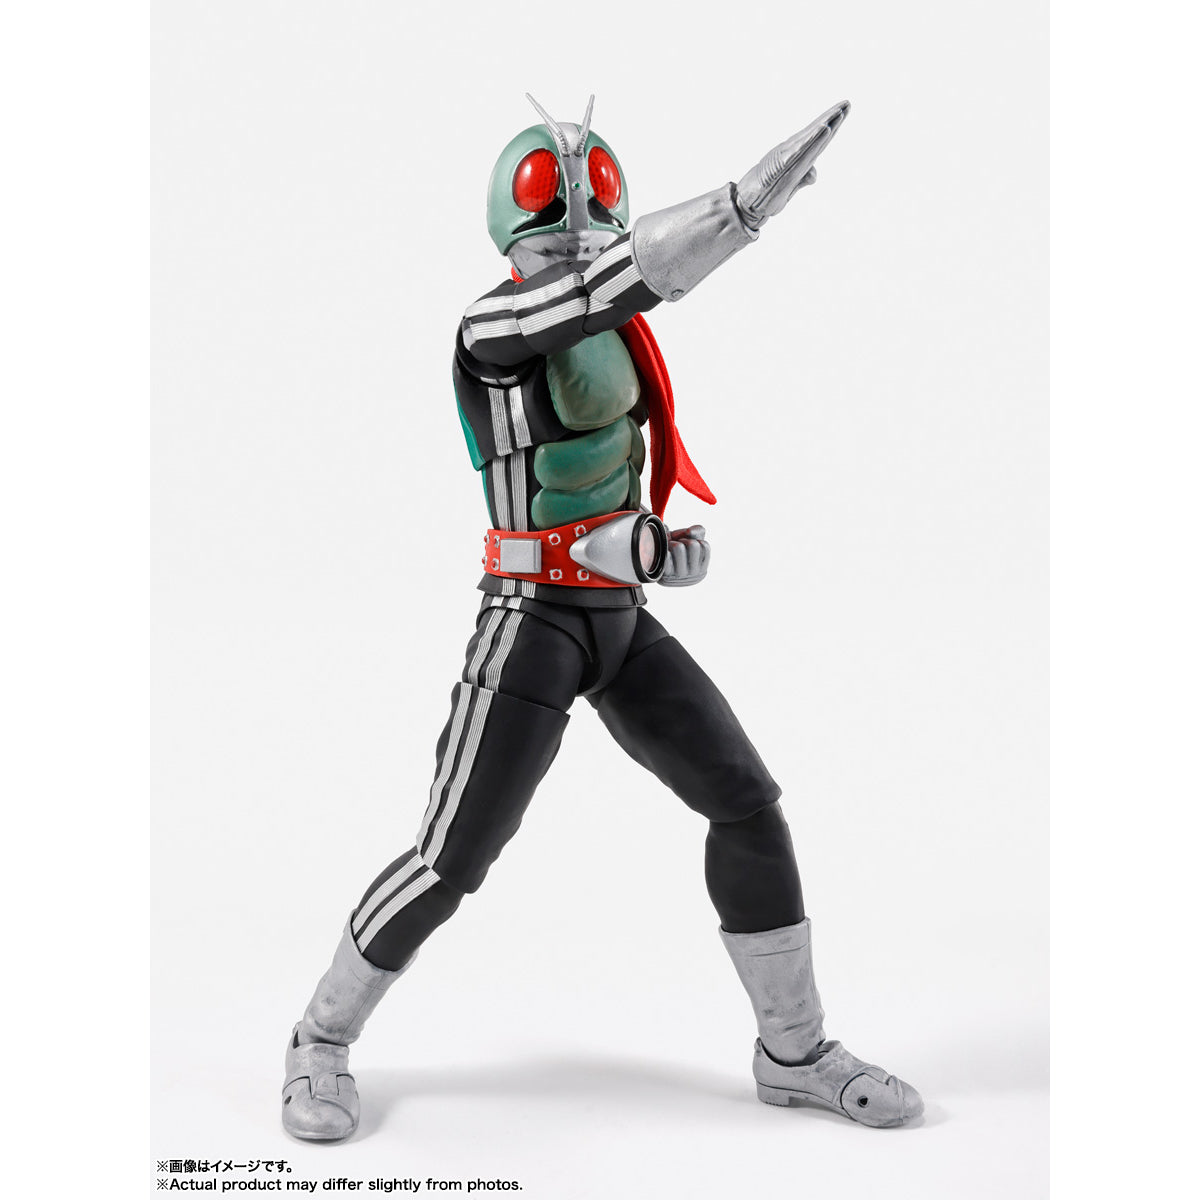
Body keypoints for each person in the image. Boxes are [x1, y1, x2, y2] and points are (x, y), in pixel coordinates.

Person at [281, 95, 922, 1140]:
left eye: (593, 200)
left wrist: (657, 547)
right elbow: (593, 295)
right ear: (510, 217)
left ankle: (794, 1052)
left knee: (748, 804)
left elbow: (607, 463)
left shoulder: (619, 329)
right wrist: (736, 213)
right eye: (552, 201)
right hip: (530, 621)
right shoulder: (493, 327)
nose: (578, 219)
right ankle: (319, 1038)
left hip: (618, 619)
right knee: (450, 857)